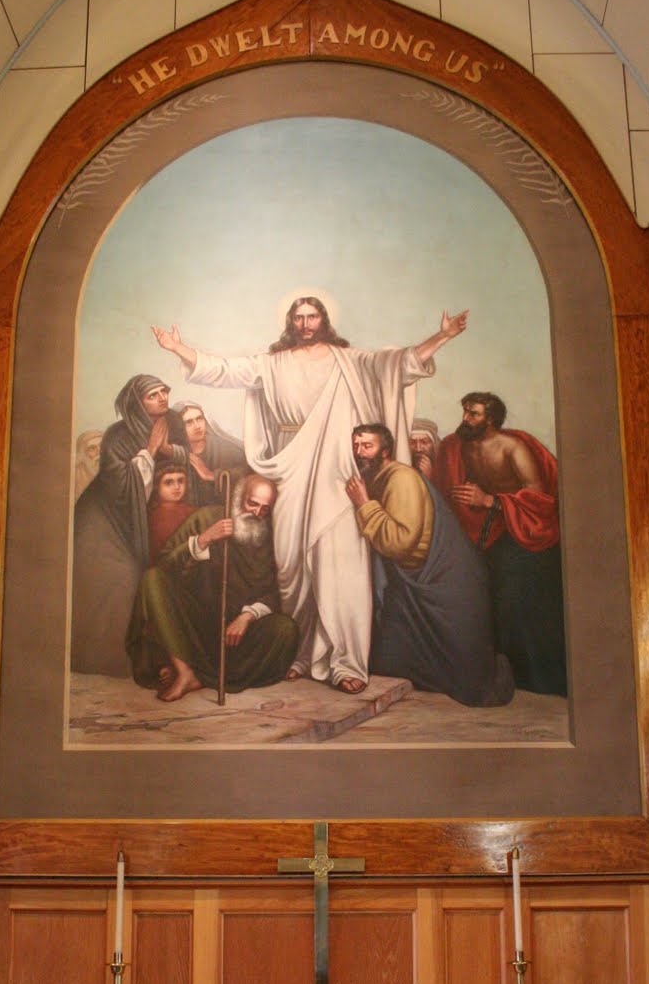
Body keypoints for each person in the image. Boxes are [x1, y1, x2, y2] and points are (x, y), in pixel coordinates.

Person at [152, 295, 468, 693]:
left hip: (337, 473)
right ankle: (300, 653)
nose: (305, 323)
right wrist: (178, 348)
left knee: (341, 564)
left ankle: (347, 661)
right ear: (290, 321)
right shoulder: (272, 363)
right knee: (290, 565)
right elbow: (225, 370)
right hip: (288, 470)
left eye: (312, 316)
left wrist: (441, 337)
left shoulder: (346, 360)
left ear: (323, 319)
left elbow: (396, 364)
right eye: (298, 317)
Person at [345, 424, 514, 707]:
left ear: (385, 451)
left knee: (468, 682)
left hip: (442, 582)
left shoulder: (401, 479)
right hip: (412, 584)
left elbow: (401, 542)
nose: (359, 452)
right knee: (389, 663)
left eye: (367, 446)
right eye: (356, 446)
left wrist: (364, 504)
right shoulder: (379, 476)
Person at [436, 390, 566, 696]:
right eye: (465, 411)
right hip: (486, 532)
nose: (465, 419)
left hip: (521, 532)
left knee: (515, 603)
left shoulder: (512, 447)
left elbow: (538, 497)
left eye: (474, 414)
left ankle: (533, 680)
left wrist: (490, 500)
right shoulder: (457, 447)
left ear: (491, 419)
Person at [130, 472, 298, 701]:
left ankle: (204, 675)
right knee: (152, 579)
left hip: (236, 635)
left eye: (264, 509)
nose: (257, 513)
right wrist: (204, 539)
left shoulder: (268, 535)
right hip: (195, 623)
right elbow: (165, 564)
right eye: (252, 504)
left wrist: (247, 617)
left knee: (286, 629)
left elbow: (272, 593)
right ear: (240, 498)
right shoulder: (205, 518)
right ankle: (185, 671)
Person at [70, 374, 189, 676]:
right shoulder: (118, 436)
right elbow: (122, 487)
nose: (162, 398)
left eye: (164, 391)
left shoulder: (173, 422)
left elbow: (183, 458)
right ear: (137, 402)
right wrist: (149, 450)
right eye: (153, 395)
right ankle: (113, 662)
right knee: (124, 578)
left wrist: (166, 452)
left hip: (142, 516)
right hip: (103, 519)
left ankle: (163, 661)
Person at [173, 399, 245, 504]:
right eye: (188, 422)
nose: (197, 426)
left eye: (199, 419)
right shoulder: (176, 453)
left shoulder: (228, 449)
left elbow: (248, 474)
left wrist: (212, 475)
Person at [147, 465, 196, 562]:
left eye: (181, 481)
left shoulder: (193, 512)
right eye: (169, 483)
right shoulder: (152, 517)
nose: (177, 487)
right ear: (156, 487)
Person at [74, 428, 103, 500]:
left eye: (102, 445)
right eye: (92, 448)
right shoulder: (75, 480)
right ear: (82, 454)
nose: (99, 451)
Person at [409, 418, 440, 482]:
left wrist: (430, 477)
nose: (418, 449)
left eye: (424, 442)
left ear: (434, 445)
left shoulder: (443, 469)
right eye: (412, 442)